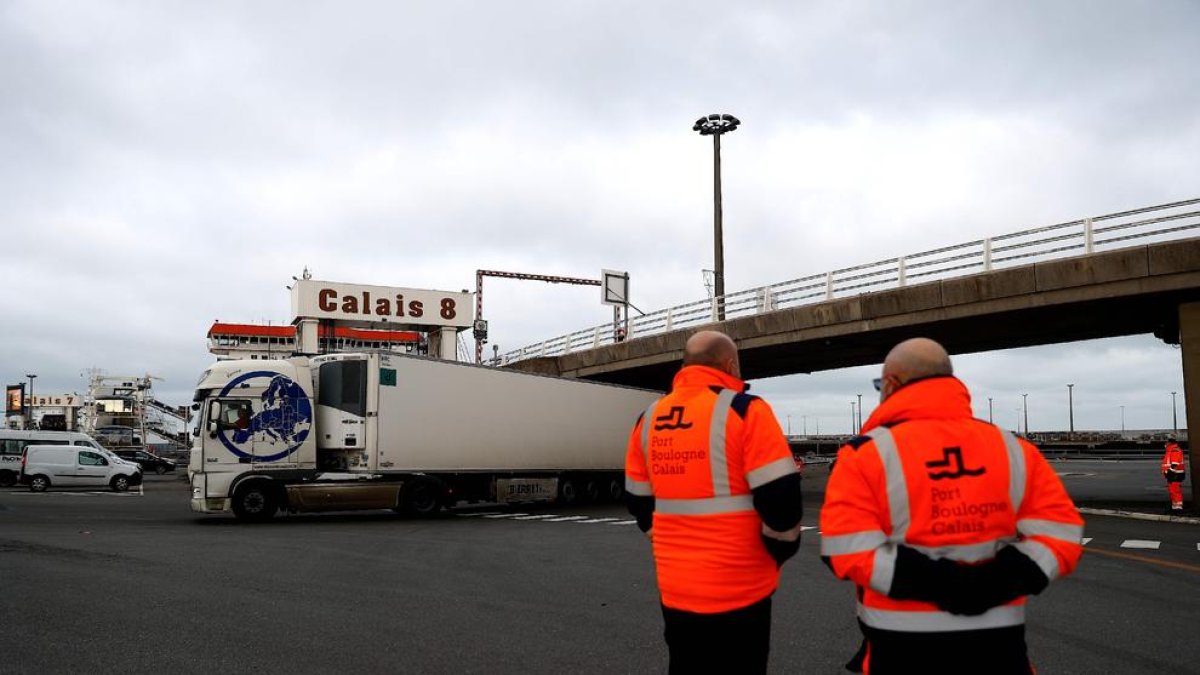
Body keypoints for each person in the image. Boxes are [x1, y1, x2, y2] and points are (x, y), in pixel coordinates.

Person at [820, 337, 1083, 675]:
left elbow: (845, 548)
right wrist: (993, 582)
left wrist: (942, 585)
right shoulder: (1013, 449)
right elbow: (1061, 534)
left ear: (890, 385)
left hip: (899, 647)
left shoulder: (864, 454)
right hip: (998, 646)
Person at [624, 330, 804, 675]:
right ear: (730, 365)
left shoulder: (648, 419)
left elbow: (638, 502)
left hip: (677, 589)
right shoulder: (744, 410)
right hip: (742, 587)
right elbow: (782, 503)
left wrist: (667, 540)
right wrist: (777, 553)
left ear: (685, 366)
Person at [1162, 437, 1187, 512]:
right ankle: (1175, 507)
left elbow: (1175, 464)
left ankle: (1178, 508)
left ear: (1169, 443)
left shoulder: (1174, 450)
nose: (1165, 444)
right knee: (1173, 490)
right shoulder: (1171, 450)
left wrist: (1170, 472)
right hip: (1174, 474)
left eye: (1166, 442)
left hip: (1175, 474)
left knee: (1175, 490)